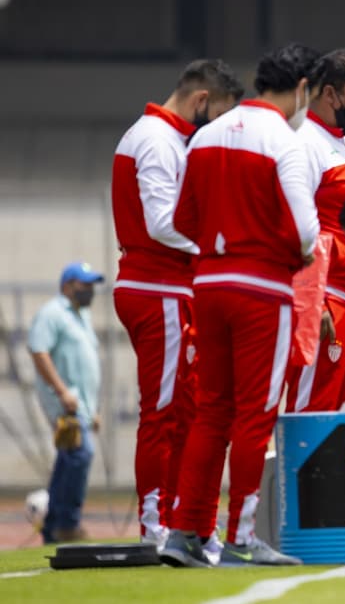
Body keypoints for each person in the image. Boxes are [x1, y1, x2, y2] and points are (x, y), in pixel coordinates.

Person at [160, 43, 320, 568]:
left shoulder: (204, 136)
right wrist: (281, 253)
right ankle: (241, 537)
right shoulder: (285, 141)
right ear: (301, 89)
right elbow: (305, 232)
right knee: (254, 416)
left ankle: (185, 531)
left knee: (211, 412)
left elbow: (181, 221)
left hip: (208, 284)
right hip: (261, 289)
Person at [111, 59, 243, 546]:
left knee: (187, 411)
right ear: (201, 101)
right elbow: (160, 222)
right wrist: (217, 247)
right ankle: (155, 524)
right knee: (165, 412)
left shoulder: (162, 138)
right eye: (219, 115)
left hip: (167, 287)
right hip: (156, 287)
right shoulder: (156, 139)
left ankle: (178, 518)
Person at [286, 49, 345, 413]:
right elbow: (293, 221)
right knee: (311, 413)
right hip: (325, 300)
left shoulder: (341, 144)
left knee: (328, 413)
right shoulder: (306, 141)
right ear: (330, 94)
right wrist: (312, 299)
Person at [28, 262, 105, 545]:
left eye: (91, 285)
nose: (88, 290)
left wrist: (92, 408)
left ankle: (53, 528)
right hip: (65, 403)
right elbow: (38, 350)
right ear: (67, 286)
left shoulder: (81, 315)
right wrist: (62, 392)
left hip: (81, 405)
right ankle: (67, 523)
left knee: (68, 459)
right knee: (79, 454)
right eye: (83, 284)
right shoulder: (53, 313)